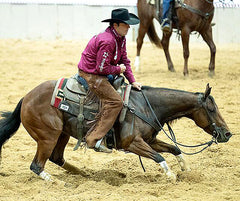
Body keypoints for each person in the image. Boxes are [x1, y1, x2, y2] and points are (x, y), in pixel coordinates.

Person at [78, 8, 142, 153]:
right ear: (116, 25)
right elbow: (101, 68)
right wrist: (118, 70)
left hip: (100, 73)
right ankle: (94, 139)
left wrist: (132, 81)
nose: (129, 27)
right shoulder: (108, 41)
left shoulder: (120, 38)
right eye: (126, 24)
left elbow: (124, 59)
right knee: (116, 102)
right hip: (90, 75)